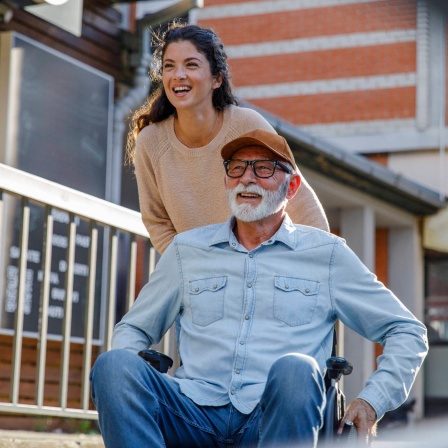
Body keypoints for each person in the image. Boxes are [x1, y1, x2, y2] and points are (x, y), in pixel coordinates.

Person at [91, 129, 428, 448]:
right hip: (190, 412)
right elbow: (134, 328)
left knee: (296, 369)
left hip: (273, 419)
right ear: (226, 181)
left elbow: (407, 331)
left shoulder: (327, 255)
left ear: (292, 186)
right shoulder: (187, 251)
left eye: (263, 168)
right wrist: (133, 370)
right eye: (236, 168)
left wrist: (372, 401)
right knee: (114, 366)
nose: (247, 178)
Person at [126, 21, 329, 254]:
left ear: (217, 79)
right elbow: (157, 222)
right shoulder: (151, 141)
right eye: (169, 66)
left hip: (262, 265)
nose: (178, 75)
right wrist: (190, 267)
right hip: (199, 277)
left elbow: (299, 200)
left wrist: (321, 259)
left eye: (191, 65)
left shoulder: (247, 125)